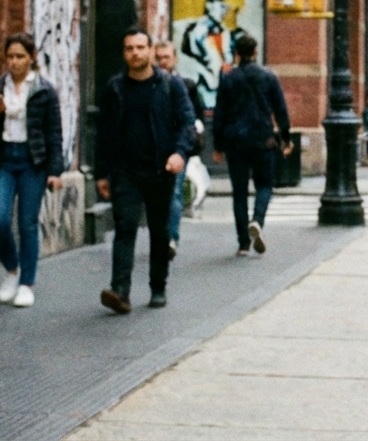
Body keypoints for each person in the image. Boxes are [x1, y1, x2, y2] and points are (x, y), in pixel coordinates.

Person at [95, 28, 197, 313]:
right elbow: (103, 133)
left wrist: (179, 153)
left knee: (159, 231)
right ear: (124, 53)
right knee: (124, 229)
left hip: (160, 170)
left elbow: (188, 123)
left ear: (151, 51)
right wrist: (102, 173)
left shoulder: (169, 85)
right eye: (129, 48)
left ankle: (158, 287)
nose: (135, 53)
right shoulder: (115, 88)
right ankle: (120, 292)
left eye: (140, 47)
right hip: (126, 171)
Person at [0, 33, 65, 308]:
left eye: (20, 57)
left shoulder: (44, 90)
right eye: (10, 57)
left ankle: (27, 283)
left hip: (32, 161)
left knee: (27, 223)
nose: (14, 62)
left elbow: (54, 133)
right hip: (3, 159)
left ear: (31, 57)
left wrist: (55, 171)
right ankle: (12, 270)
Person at [213, 35, 292, 256]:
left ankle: (243, 244)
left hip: (235, 140)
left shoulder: (228, 78)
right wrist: (285, 139)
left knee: (239, 192)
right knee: (264, 185)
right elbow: (280, 110)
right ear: (255, 51)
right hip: (262, 139)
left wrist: (218, 144)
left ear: (236, 53)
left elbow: (220, 113)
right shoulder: (268, 76)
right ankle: (257, 220)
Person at [154, 40, 207, 260]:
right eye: (159, 57)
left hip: (177, 149)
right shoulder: (147, 84)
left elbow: (195, 118)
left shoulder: (186, 85)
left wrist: (186, 146)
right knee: (157, 197)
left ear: (175, 59)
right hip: (152, 149)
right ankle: (161, 236)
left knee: (174, 192)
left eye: (166, 57)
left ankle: (171, 238)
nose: (162, 62)